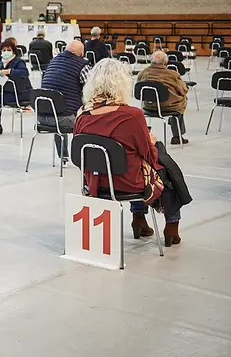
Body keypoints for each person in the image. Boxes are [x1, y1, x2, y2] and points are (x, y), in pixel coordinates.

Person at [74, 58, 183, 246]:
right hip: (128, 183)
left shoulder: (82, 114)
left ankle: (139, 219)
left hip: (94, 182)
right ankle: (171, 224)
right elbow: (147, 154)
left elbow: (79, 155)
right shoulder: (132, 115)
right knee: (164, 163)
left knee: (135, 161)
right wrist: (152, 142)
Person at [39, 40, 90, 154]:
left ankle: (63, 156)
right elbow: (91, 90)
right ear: (81, 54)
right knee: (92, 122)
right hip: (63, 119)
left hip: (42, 116)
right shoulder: (82, 65)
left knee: (59, 108)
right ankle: (85, 158)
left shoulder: (52, 62)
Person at [136, 51, 190, 145]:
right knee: (181, 101)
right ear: (166, 63)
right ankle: (177, 136)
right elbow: (183, 90)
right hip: (168, 107)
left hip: (149, 107)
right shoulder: (172, 74)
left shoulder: (143, 73)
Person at [0, 39, 32, 135]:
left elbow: (24, 73)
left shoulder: (19, 62)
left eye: (9, 50)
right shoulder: (0, 64)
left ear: (14, 51)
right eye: (4, 50)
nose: (6, 52)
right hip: (8, 92)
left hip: (22, 93)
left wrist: (10, 71)